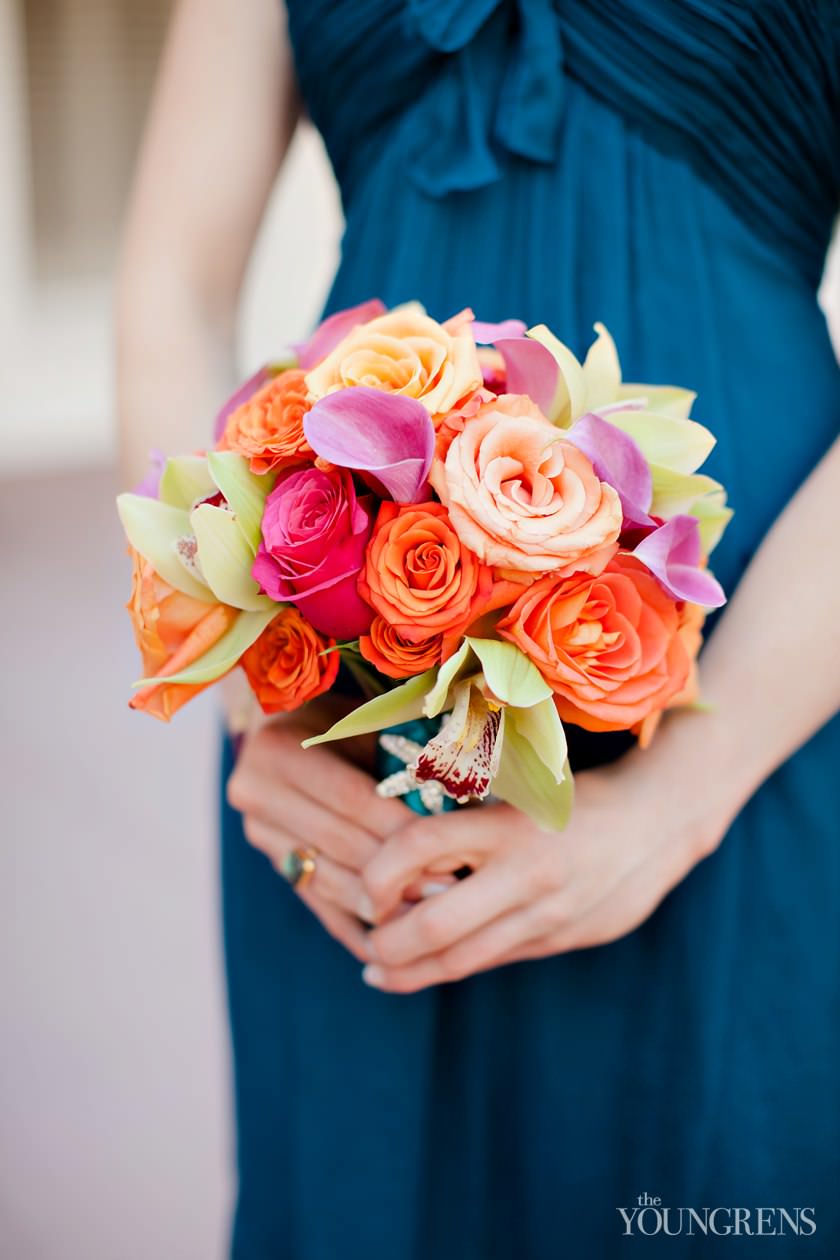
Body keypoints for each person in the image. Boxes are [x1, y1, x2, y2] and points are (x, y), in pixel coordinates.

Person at [118, 1, 840, 1255]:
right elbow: (170, 280)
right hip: (337, 711)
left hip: (765, 687)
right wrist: (252, 671)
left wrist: (678, 799)